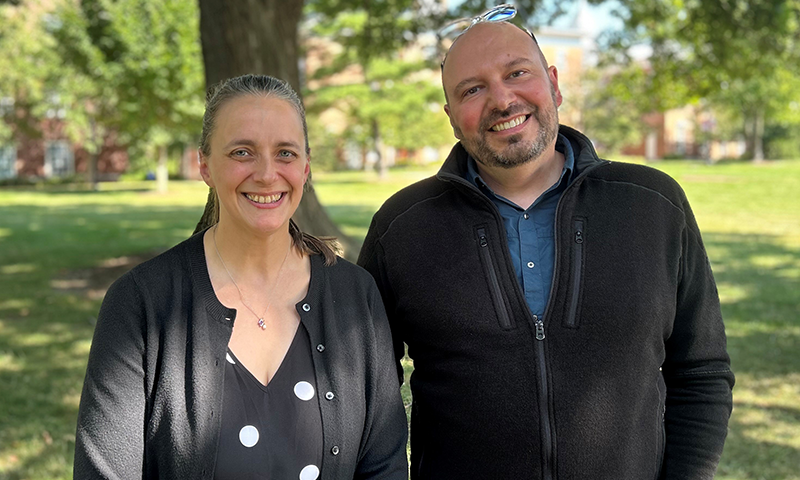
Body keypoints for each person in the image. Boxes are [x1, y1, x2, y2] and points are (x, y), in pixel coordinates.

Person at [358, 7, 734, 480]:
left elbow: (701, 372)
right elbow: (366, 390)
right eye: (472, 90)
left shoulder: (654, 205)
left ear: (554, 84)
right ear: (452, 117)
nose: (502, 100)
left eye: (517, 73)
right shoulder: (401, 227)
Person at [74, 74, 408, 480]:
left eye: (285, 153)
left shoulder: (356, 296)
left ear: (305, 167)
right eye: (242, 152)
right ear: (205, 166)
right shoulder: (141, 303)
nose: (267, 174)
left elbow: (384, 466)